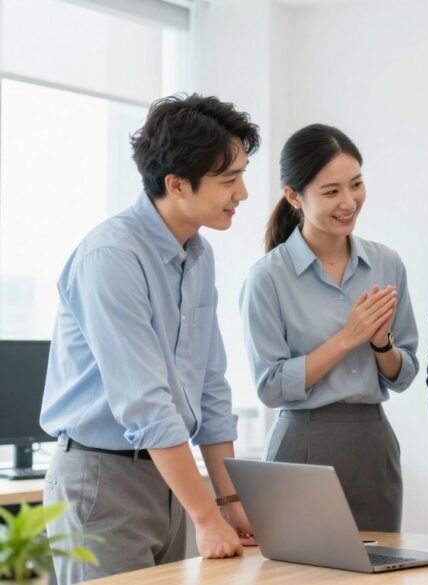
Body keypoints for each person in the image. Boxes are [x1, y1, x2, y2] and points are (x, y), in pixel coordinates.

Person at [39, 94, 260, 584]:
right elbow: (145, 404)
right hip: (102, 480)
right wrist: (206, 516)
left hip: (172, 479)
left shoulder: (198, 255)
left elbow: (210, 388)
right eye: (229, 180)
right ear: (176, 184)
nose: (242, 193)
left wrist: (227, 502)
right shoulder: (111, 257)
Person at [239, 124, 417, 532]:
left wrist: (379, 344)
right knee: (298, 574)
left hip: (374, 443)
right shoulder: (267, 278)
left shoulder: (387, 264)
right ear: (293, 196)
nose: (349, 201)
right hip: (302, 444)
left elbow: (404, 373)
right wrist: (347, 339)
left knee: (379, 573)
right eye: (331, 191)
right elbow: (270, 386)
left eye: (356, 185)